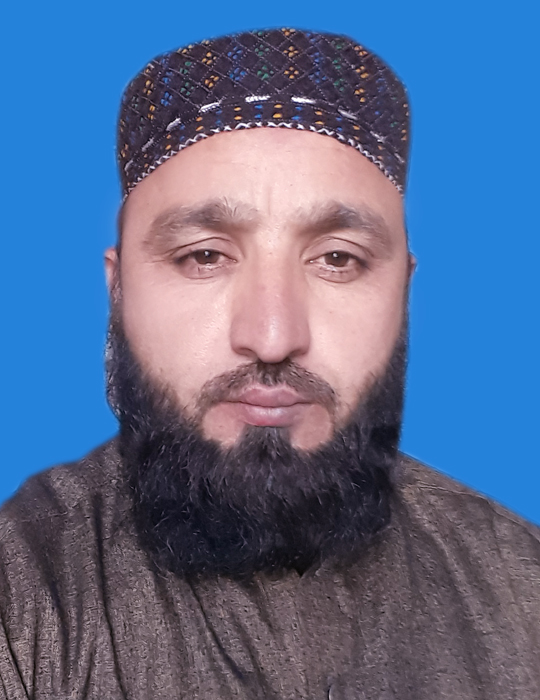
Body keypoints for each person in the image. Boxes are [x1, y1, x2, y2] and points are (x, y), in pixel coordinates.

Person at [0, 27, 538, 699]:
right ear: (119, 291)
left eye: (337, 259)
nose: (274, 336)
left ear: (403, 289)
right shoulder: (22, 594)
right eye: (204, 256)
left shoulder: (521, 591)